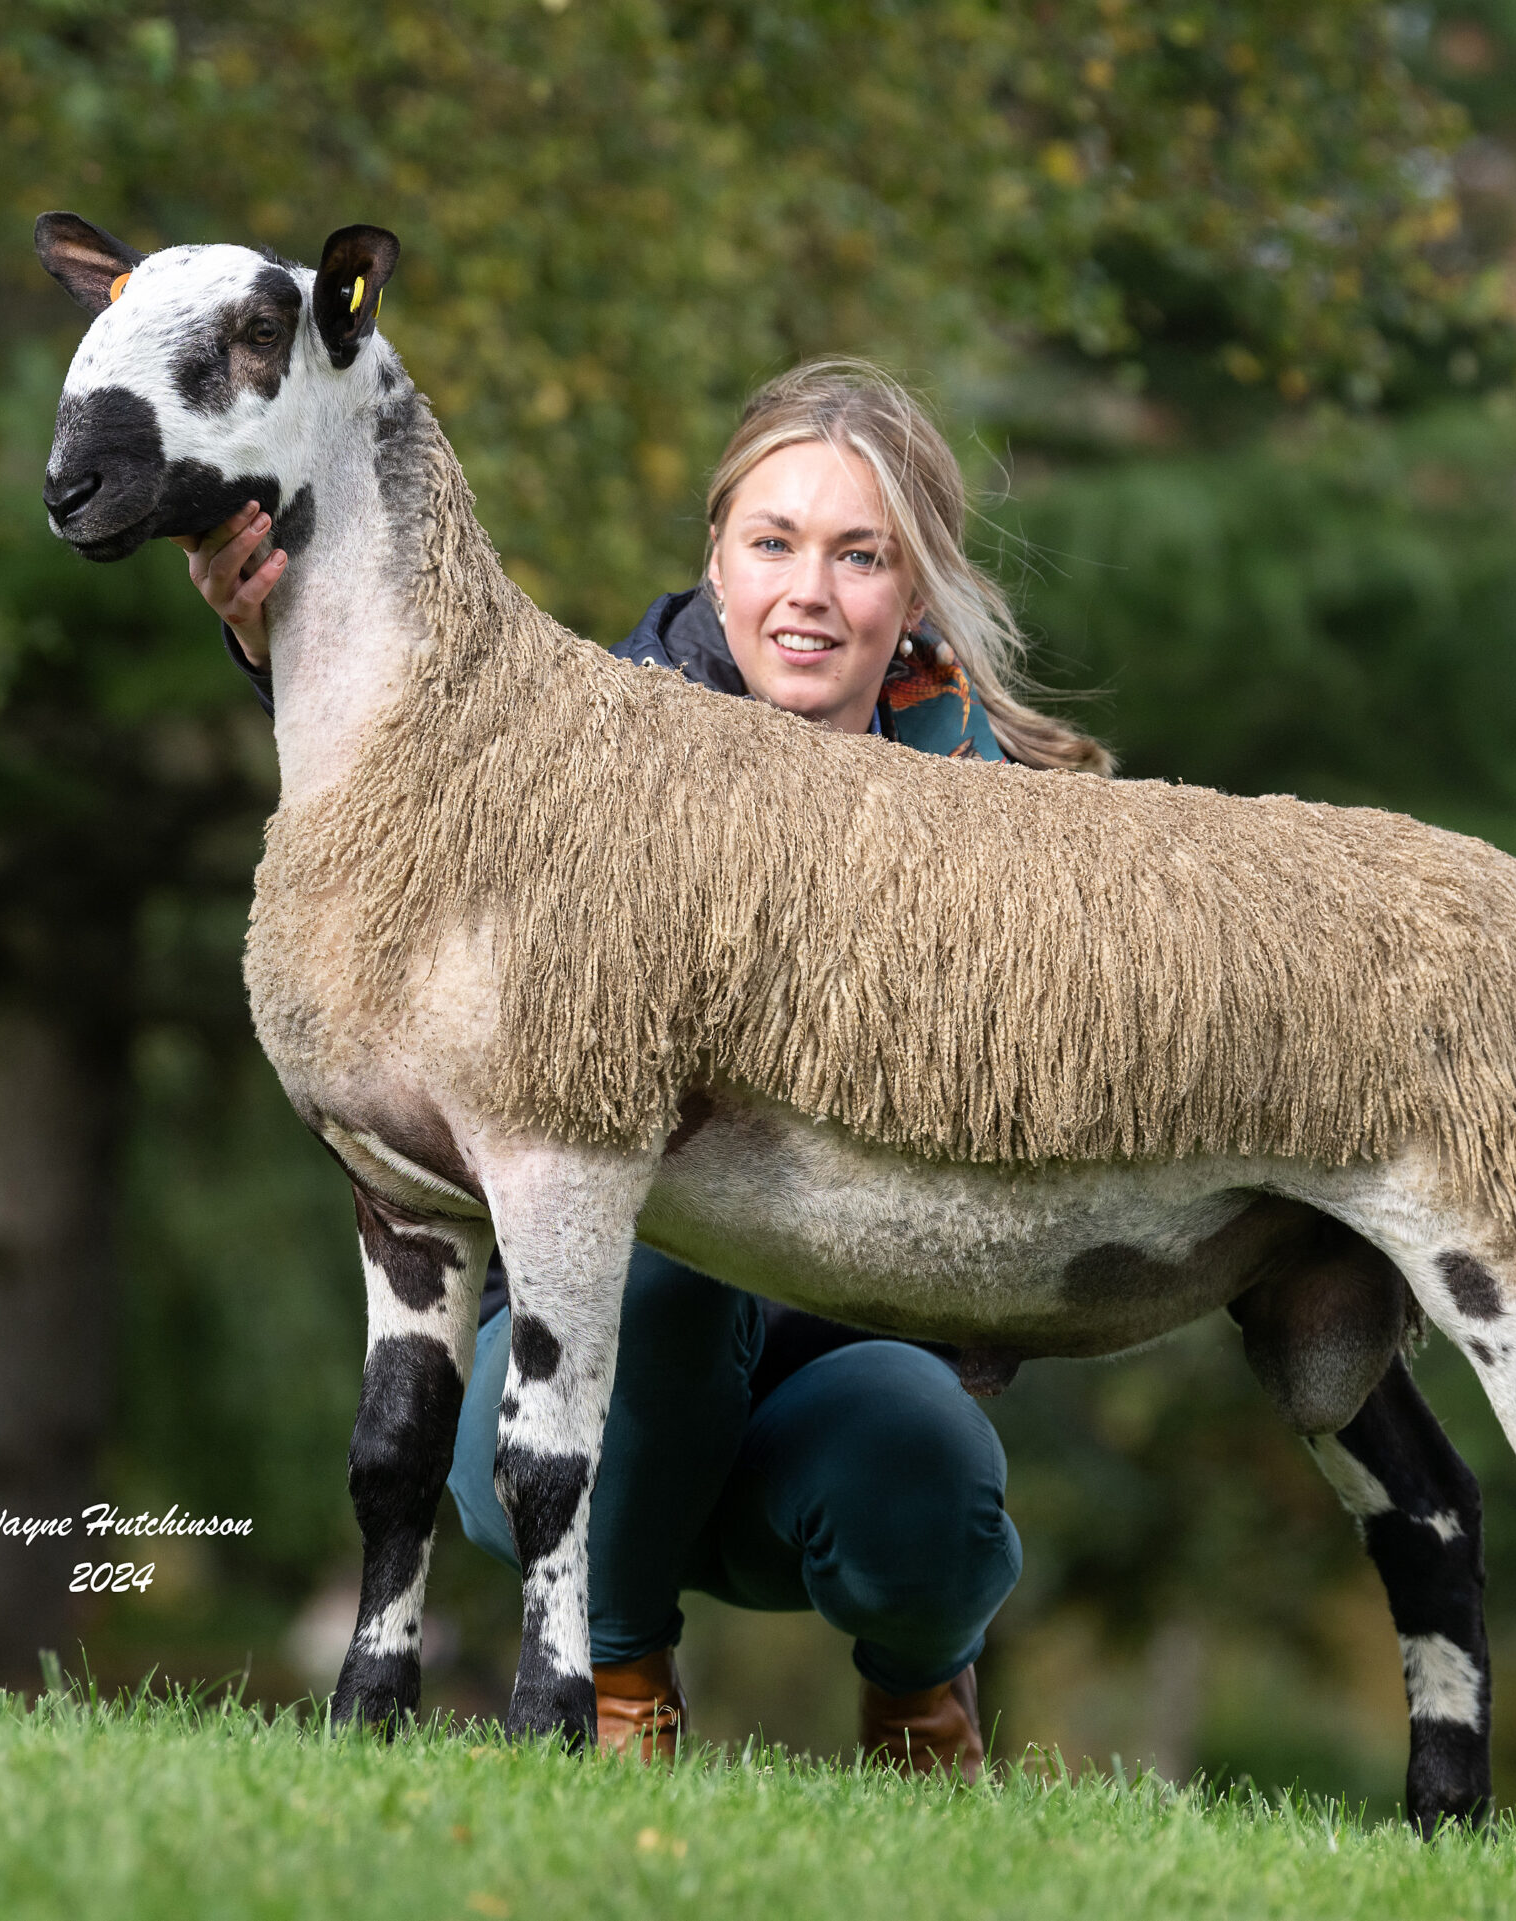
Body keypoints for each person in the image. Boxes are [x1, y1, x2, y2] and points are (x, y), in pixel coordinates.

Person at [181, 359, 1112, 1776]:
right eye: (774, 542)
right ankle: (613, 1684)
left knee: (926, 1445)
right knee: (657, 1236)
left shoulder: (997, 807)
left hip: (834, 1385)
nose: (809, 589)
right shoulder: (580, 735)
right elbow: (402, 794)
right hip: (574, 1398)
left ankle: (924, 1704)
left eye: (860, 555)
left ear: (911, 596)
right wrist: (275, 641)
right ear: (718, 566)